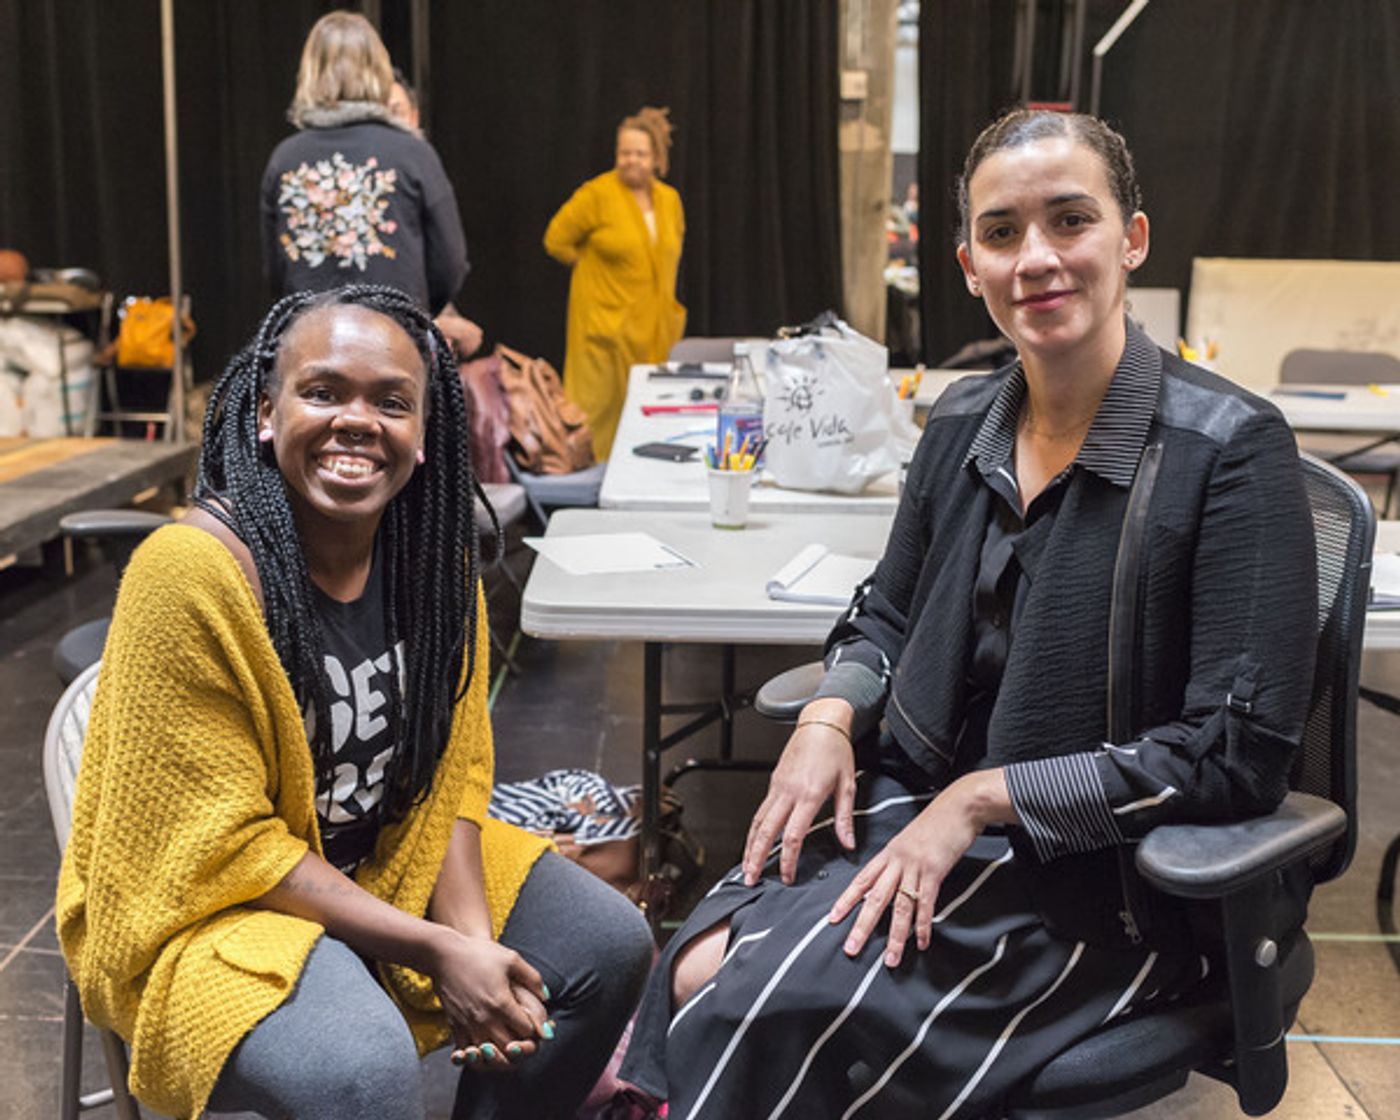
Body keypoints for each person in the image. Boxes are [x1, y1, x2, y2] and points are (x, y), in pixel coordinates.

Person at [616, 109, 1319, 1119]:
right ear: (966, 265)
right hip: (925, 812)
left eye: (1068, 220)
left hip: (1109, 883)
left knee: (749, 1008)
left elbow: (1231, 753)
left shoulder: (1226, 449)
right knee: (693, 964)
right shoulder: (956, 424)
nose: (1034, 258)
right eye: (1000, 232)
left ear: (1131, 239)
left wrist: (982, 798)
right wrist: (826, 717)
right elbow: (886, 612)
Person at [56, 285, 654, 1120]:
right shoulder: (190, 575)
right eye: (324, 391)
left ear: (424, 431)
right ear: (266, 413)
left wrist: (472, 944)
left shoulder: (438, 573)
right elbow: (225, 850)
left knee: (608, 943)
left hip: (377, 865)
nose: (357, 420)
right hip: (207, 910)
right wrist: (437, 949)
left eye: (392, 402)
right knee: (360, 1064)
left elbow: (451, 773)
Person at [261, 12, 471, 324]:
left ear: (310, 73)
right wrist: (415, 313)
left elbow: (275, 275)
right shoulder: (413, 153)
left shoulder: (285, 160)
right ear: (378, 70)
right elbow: (450, 265)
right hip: (395, 346)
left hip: (312, 347)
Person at [544, 107, 686, 459]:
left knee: (650, 411)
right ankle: (593, 492)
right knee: (600, 415)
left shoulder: (669, 200)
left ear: (655, 157)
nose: (630, 160)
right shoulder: (597, 195)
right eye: (624, 153)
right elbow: (556, 239)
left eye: (639, 153)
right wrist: (590, 268)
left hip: (652, 329)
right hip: (604, 329)